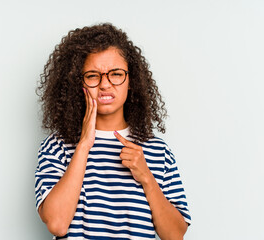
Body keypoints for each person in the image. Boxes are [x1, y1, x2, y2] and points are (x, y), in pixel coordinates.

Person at [35, 23, 191, 240]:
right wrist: (83, 146)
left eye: (116, 74)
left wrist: (146, 177)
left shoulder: (158, 151)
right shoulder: (57, 146)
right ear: (76, 83)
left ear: (131, 81)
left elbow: (175, 235)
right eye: (92, 75)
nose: (105, 85)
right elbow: (57, 224)